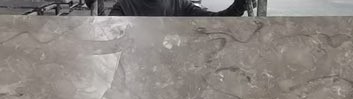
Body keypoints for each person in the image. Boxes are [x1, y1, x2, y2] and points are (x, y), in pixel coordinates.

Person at [87, 0, 249, 16]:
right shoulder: (125, 6)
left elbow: (217, 22)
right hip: (134, 71)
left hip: (170, 73)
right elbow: (106, 30)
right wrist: (95, 5)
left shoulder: (180, 5)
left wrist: (240, 5)